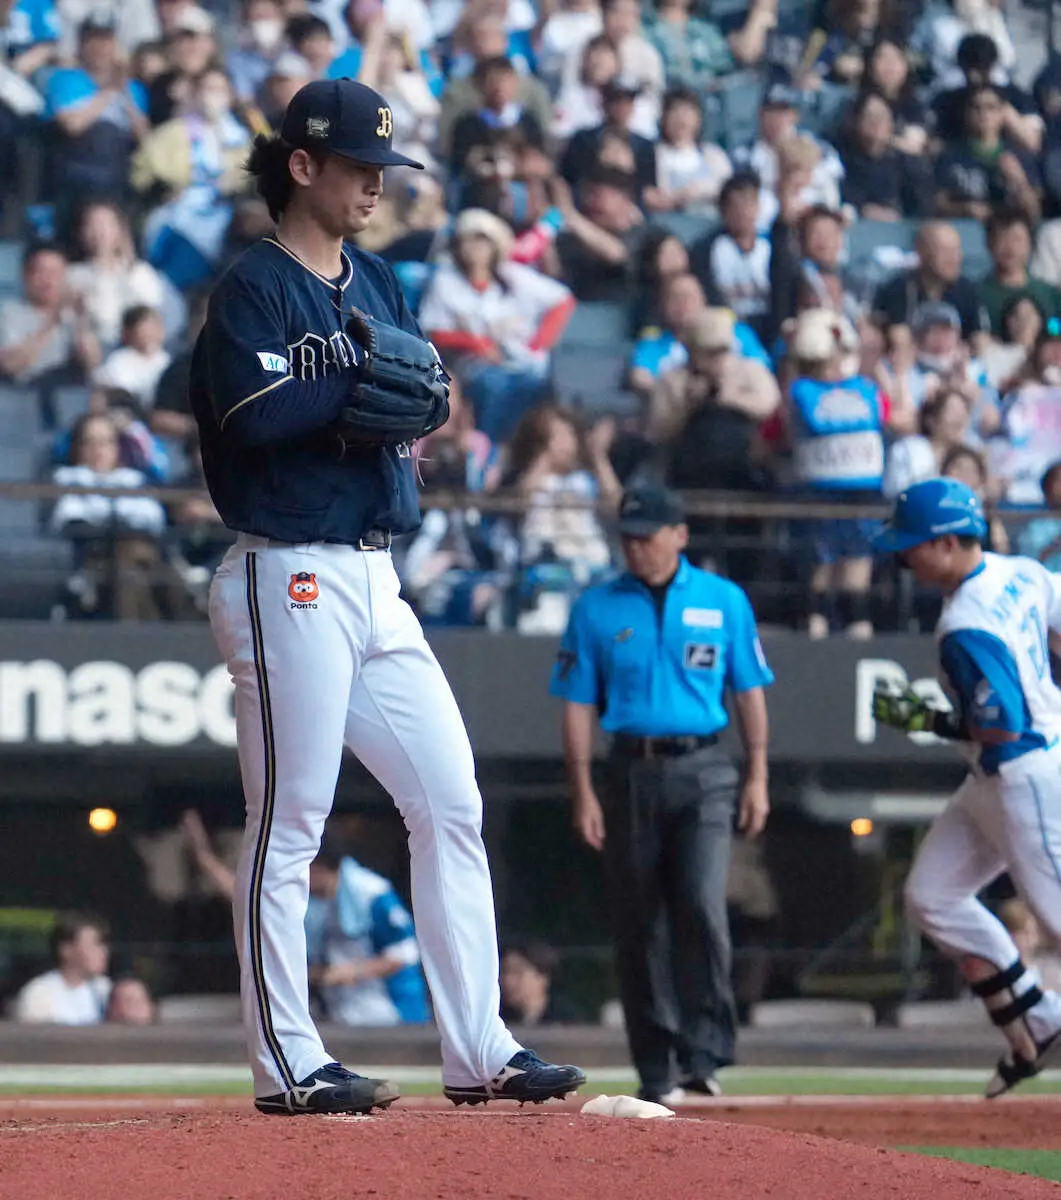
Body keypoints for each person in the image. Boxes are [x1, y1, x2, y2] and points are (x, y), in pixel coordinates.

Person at [190, 76, 585, 1117]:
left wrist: (408, 401)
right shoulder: (252, 288)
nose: (377, 184)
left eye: (384, 169)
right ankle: (288, 1062)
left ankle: (480, 1046)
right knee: (290, 822)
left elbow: (414, 402)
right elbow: (251, 417)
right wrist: (357, 386)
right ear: (303, 165)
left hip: (376, 571)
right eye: (361, 166)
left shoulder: (376, 280)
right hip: (286, 569)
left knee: (450, 802)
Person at [550, 483, 773, 1105]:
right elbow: (575, 705)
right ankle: (656, 1064)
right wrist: (583, 789)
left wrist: (757, 775)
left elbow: (749, 690)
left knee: (701, 903)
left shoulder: (724, 600)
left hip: (704, 766)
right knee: (637, 919)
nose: (637, 548)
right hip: (629, 770)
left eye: (648, 536)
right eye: (628, 538)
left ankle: (705, 1049)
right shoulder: (596, 607)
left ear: (679, 534)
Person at [872, 476, 1061, 1097]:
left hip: (1025, 771)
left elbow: (1000, 726)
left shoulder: (965, 622)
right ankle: (1038, 1012)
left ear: (951, 542)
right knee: (931, 896)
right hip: (998, 772)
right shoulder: (1024, 573)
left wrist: (926, 720)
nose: (904, 556)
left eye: (915, 544)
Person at [306, 837, 431, 1027]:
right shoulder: (313, 904)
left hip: (391, 1015)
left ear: (318, 867)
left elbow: (406, 953)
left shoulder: (371, 892)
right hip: (344, 1015)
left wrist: (353, 972)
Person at [13, 912, 111, 1024]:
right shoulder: (39, 993)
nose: (104, 951)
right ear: (66, 949)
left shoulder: (105, 989)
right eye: (95, 944)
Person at [500, 942, 578, 1026]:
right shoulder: (498, 1018)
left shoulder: (566, 1020)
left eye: (517, 972)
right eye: (504, 972)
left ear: (543, 976)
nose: (507, 980)